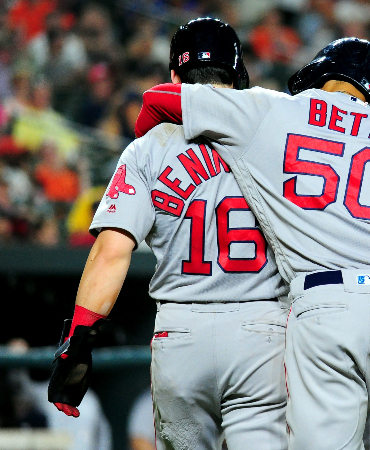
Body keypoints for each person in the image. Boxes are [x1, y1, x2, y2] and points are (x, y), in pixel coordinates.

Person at [134, 36, 370, 450]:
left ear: (319, 74)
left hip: (325, 307)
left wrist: (153, 151)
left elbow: (159, 98)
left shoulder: (276, 110)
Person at [46, 19, 289, 450]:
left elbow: (112, 251)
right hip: (262, 330)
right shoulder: (278, 133)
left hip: (182, 332)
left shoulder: (148, 146)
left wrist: (80, 337)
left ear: (174, 77)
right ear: (239, 74)